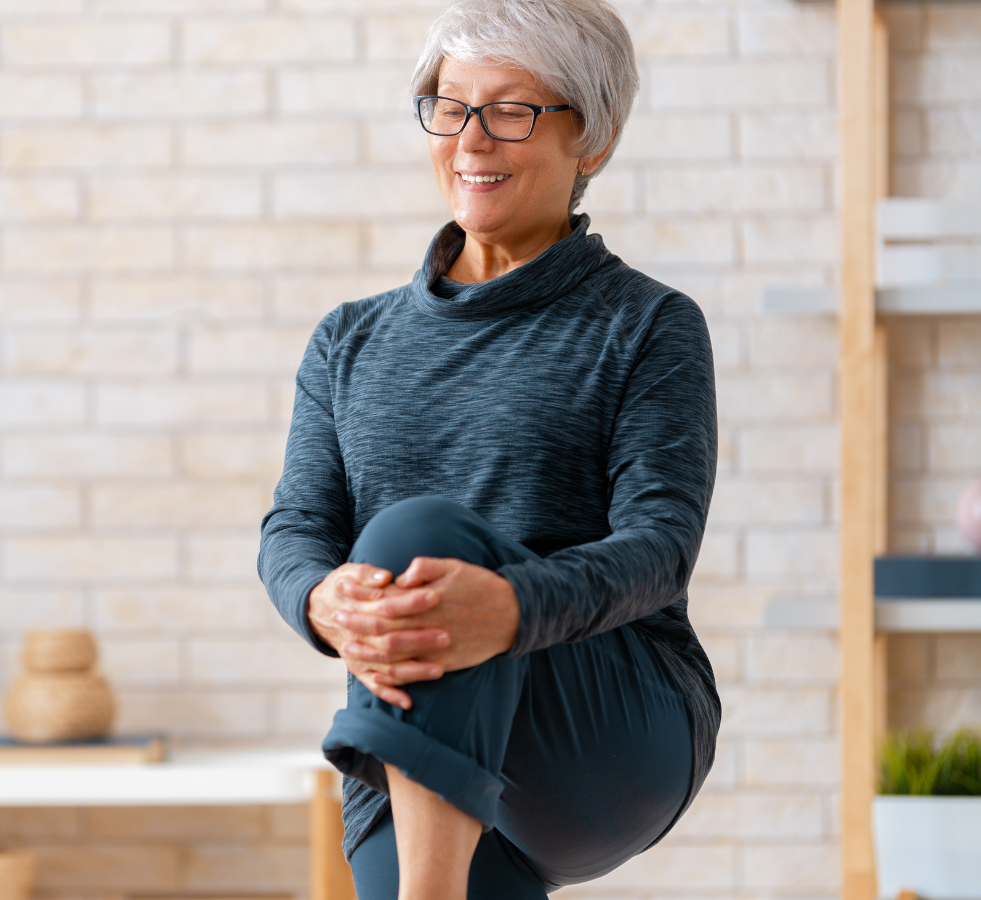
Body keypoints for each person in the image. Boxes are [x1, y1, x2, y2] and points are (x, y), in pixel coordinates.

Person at [257, 1, 720, 898]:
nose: (470, 140)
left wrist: (505, 608)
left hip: (610, 724)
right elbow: (296, 526)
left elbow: (660, 549)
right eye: (449, 105)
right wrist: (322, 600)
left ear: (595, 137)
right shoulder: (347, 342)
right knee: (388, 567)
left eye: (510, 111)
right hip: (417, 728)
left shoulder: (647, 326)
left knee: (410, 539)